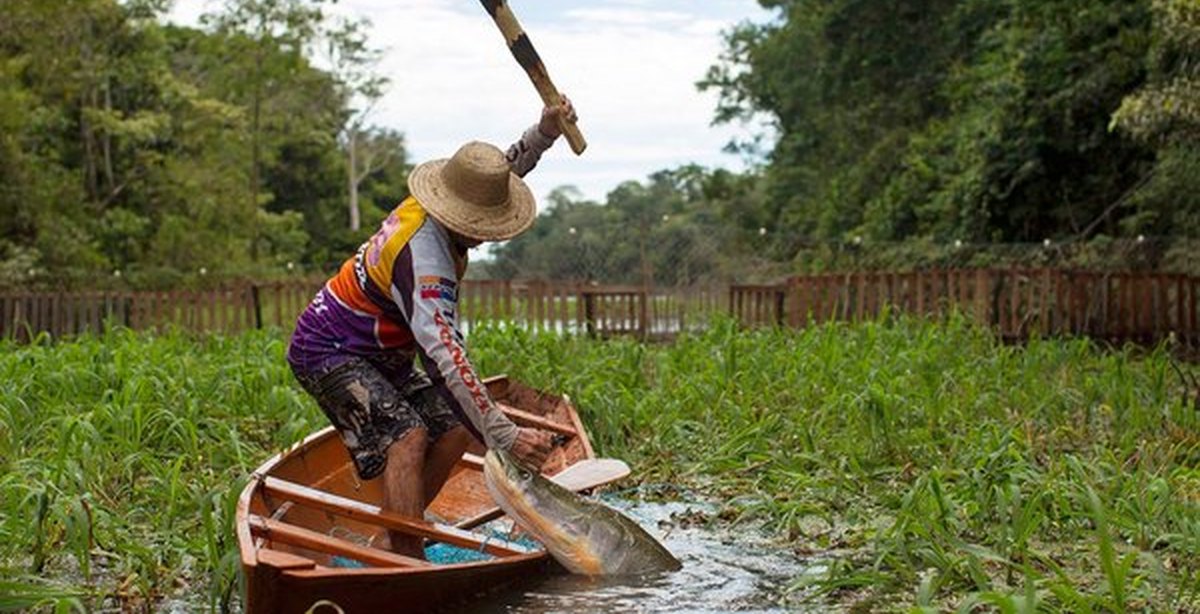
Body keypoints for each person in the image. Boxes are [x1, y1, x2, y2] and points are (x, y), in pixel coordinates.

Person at [286, 99, 578, 558]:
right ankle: (404, 554)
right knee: (408, 436)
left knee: (456, 426)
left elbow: (498, 176)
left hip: (380, 352)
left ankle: (396, 530)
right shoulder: (426, 259)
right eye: (482, 226)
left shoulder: (449, 204)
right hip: (330, 348)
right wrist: (503, 433)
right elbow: (445, 357)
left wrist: (543, 133)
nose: (484, 235)